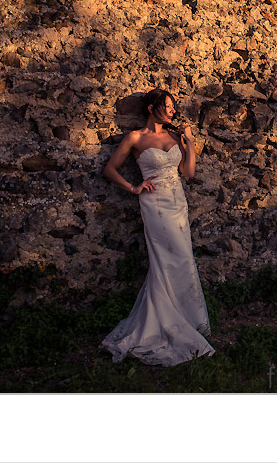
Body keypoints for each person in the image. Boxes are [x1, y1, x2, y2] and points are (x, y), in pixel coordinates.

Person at [100, 88, 214, 366]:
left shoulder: (175, 135)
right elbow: (110, 169)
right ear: (151, 108)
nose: (172, 110)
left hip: (178, 203)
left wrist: (188, 142)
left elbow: (188, 172)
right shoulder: (135, 138)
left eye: (174, 106)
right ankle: (165, 321)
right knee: (166, 261)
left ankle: (191, 319)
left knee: (184, 258)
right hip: (154, 205)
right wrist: (133, 187)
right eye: (167, 106)